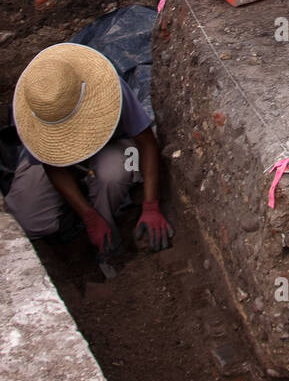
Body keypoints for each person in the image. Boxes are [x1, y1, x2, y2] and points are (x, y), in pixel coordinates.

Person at [7, 43, 172, 256]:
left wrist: (150, 205)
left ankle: (109, 230)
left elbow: (147, 143)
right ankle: (76, 219)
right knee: (27, 219)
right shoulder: (34, 108)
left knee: (113, 173)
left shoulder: (109, 88)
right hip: (61, 161)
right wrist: (87, 215)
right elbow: (51, 166)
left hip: (111, 146)